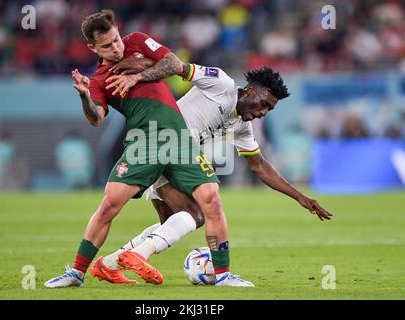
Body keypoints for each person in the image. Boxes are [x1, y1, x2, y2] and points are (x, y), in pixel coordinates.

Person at [44, 9, 250, 288]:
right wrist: (84, 96)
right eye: (107, 46)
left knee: (211, 199)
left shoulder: (139, 42)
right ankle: (77, 272)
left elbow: (174, 63)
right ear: (92, 48)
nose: (116, 47)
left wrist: (137, 77)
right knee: (109, 206)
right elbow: (96, 119)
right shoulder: (99, 81)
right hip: (145, 142)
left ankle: (224, 275)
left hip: (179, 138)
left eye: (116, 39)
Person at [93, 59, 333, 284]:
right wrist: (138, 69)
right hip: (163, 141)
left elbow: (259, 166)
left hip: (175, 155)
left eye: (268, 110)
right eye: (264, 104)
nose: (263, 113)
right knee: (198, 213)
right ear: (250, 90)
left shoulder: (242, 126)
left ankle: (111, 263)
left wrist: (300, 196)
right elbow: (176, 66)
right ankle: (148, 256)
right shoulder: (220, 82)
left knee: (173, 221)